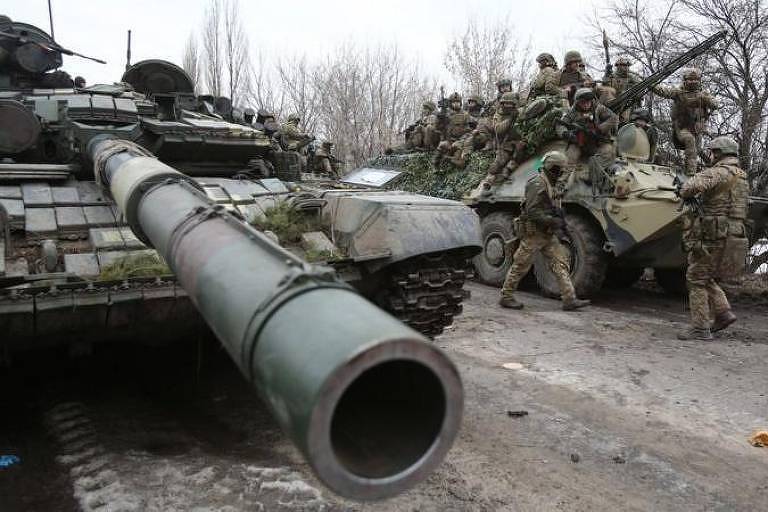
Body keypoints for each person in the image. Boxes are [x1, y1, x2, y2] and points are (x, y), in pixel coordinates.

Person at [677, 136, 749, 340]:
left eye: (712, 151)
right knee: (704, 273)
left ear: (718, 153)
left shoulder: (717, 172)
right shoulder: (742, 176)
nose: (709, 155)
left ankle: (700, 328)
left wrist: (689, 183)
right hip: (734, 233)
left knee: (695, 278)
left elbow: (687, 189)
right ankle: (723, 313)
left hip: (714, 233)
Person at [499, 151, 590, 311]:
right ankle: (506, 296)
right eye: (559, 170)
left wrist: (558, 222)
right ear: (552, 168)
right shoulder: (538, 183)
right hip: (534, 233)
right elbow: (532, 211)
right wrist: (552, 220)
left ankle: (569, 298)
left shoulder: (550, 183)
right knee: (520, 265)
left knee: (560, 264)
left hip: (547, 233)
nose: (561, 173)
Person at [652, 67, 718, 176]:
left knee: (695, 151)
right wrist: (651, 84)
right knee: (689, 140)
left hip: (697, 129)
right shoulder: (678, 93)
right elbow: (663, 91)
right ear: (685, 80)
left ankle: (692, 171)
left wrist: (707, 100)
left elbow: (715, 104)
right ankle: (691, 174)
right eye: (690, 79)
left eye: (695, 79)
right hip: (682, 128)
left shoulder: (703, 94)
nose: (693, 81)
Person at [558, 88, 618, 176]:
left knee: (608, 152)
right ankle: (564, 180)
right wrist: (565, 133)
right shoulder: (572, 112)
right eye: (583, 102)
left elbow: (614, 118)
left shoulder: (599, 108)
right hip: (578, 142)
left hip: (598, 141)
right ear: (577, 102)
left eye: (588, 102)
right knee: (569, 158)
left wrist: (599, 129)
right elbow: (560, 124)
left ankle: (591, 175)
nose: (586, 105)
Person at [480, 91, 522, 193]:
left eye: (510, 104)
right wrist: (510, 119)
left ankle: (508, 170)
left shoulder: (520, 112)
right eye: (505, 103)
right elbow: (498, 130)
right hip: (504, 143)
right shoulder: (498, 115)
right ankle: (489, 180)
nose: (507, 106)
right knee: (499, 161)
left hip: (518, 141)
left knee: (521, 151)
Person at [433, 92, 474, 166]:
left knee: (457, 155)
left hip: (460, 141)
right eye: (454, 102)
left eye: (458, 102)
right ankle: (436, 166)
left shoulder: (465, 114)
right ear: (450, 103)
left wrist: (462, 139)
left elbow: (470, 129)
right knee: (441, 147)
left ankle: (452, 160)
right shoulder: (446, 114)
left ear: (460, 103)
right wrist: (439, 117)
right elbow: (438, 127)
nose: (456, 104)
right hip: (448, 141)